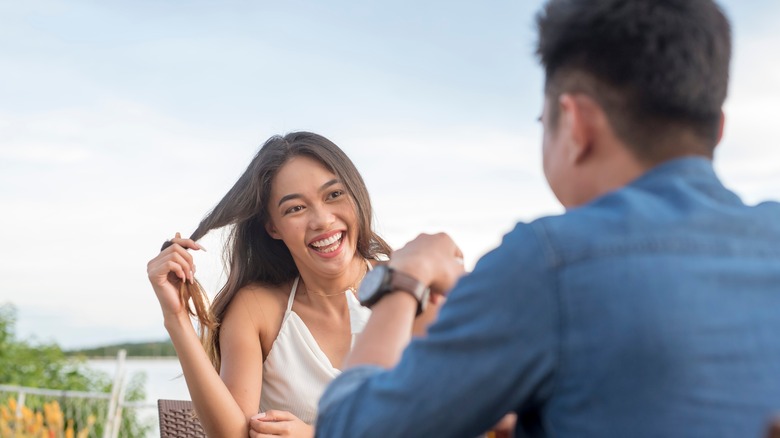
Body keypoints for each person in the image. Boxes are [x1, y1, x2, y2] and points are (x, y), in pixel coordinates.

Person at [314, 0, 780, 437]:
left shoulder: (548, 263)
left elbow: (348, 427)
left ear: (575, 123)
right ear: (717, 129)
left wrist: (404, 281)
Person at [147, 132, 405, 437]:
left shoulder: (408, 286)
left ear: (357, 194)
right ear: (273, 227)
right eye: (295, 208)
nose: (322, 220)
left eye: (334, 194)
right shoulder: (258, 308)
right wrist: (176, 318)